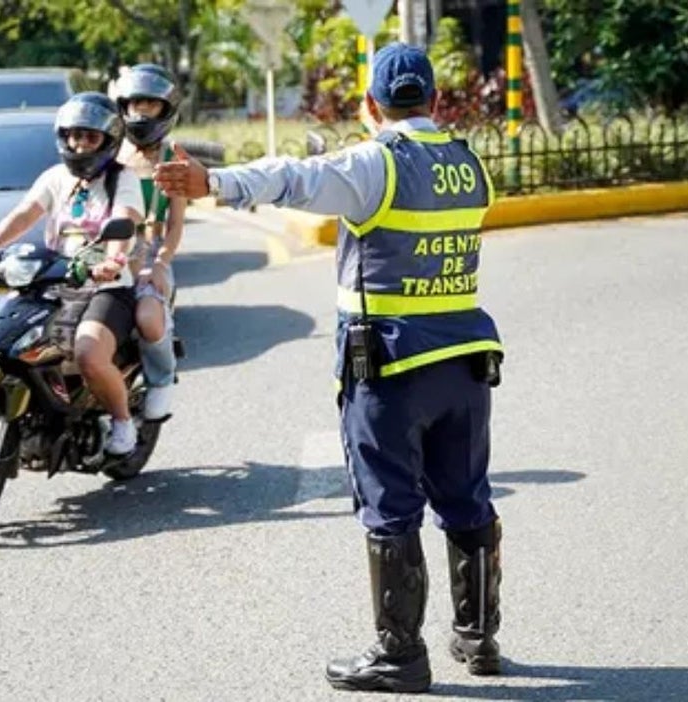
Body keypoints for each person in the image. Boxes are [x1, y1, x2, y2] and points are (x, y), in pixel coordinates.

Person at [154, 43, 505, 693]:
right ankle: (479, 638)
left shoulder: (376, 164)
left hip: (392, 369)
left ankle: (400, 656)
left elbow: (294, 176)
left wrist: (215, 184)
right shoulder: (468, 163)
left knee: (390, 507)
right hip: (465, 365)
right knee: (465, 496)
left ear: (372, 106)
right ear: (433, 100)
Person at [0, 92, 145, 456]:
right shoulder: (55, 177)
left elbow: (125, 220)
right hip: (53, 280)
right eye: (74, 135)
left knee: (89, 355)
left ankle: (122, 422)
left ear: (108, 141)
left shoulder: (124, 179)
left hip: (105, 287)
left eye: (90, 137)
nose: (80, 144)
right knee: (11, 341)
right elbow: (25, 213)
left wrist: (112, 260)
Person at [113, 64, 187, 422]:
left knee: (148, 319)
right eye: (135, 103)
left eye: (150, 104)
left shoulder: (175, 159)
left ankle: (161, 379)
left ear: (166, 109)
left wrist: (160, 263)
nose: (141, 112)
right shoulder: (108, 155)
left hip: (148, 259)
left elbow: (174, 225)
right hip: (106, 258)